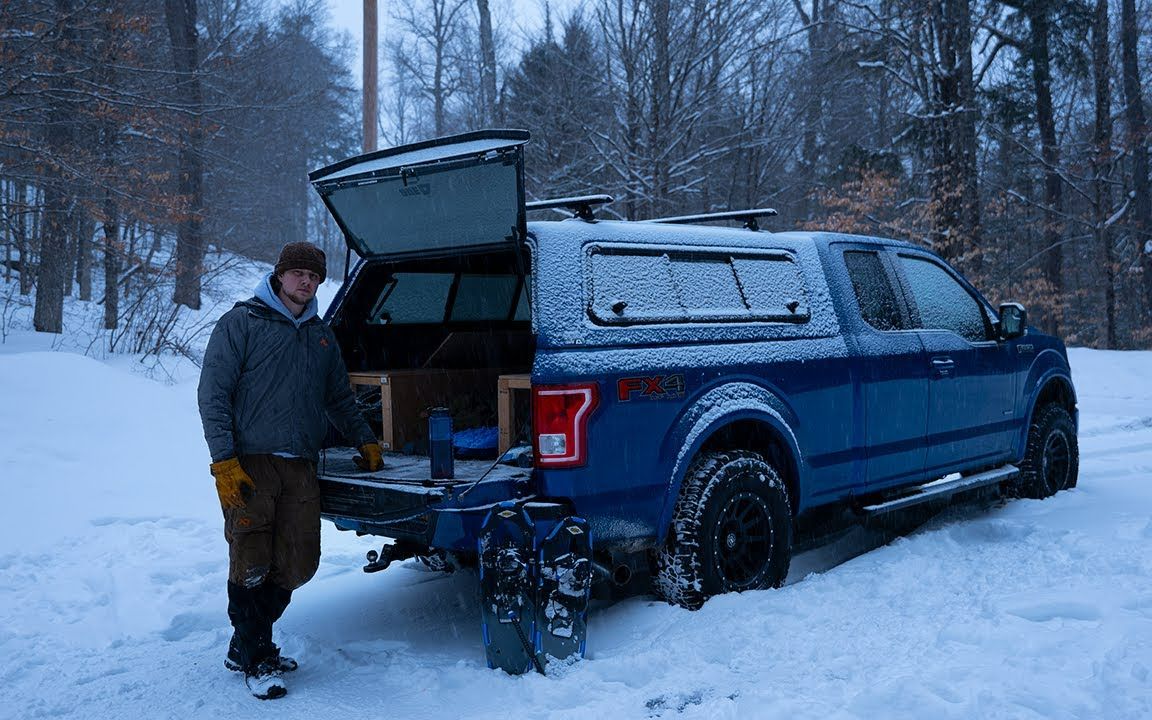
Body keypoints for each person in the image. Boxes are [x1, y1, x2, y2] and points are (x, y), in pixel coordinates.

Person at [197, 241, 383, 700]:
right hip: (249, 465)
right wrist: (224, 461)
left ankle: (245, 643)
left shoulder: (320, 336)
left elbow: (338, 397)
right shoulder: (242, 322)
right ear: (278, 275)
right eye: (297, 272)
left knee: (299, 562)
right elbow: (213, 394)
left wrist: (364, 438)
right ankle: (257, 657)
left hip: (300, 464)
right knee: (251, 561)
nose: (306, 281)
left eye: (314, 276)